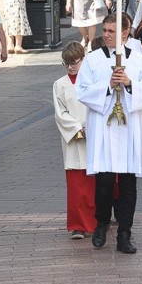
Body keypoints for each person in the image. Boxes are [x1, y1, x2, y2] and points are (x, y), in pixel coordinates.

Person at [75, 13, 142, 254]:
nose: (106, 35)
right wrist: (108, 87)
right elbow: (82, 90)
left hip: (130, 127)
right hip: (104, 127)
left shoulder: (140, 61)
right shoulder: (92, 60)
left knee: (128, 183)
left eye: (112, 31)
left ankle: (125, 232)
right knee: (104, 181)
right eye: (105, 30)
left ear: (125, 32)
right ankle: (101, 223)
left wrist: (130, 83)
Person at [52, 42, 96, 240]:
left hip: (93, 136)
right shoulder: (59, 84)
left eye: (74, 62)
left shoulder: (92, 80)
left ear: (83, 60)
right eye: (66, 63)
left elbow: (98, 105)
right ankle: (77, 226)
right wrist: (78, 129)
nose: (70, 67)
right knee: (77, 186)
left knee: (94, 185)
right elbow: (59, 113)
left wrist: (91, 126)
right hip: (73, 139)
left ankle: (94, 223)